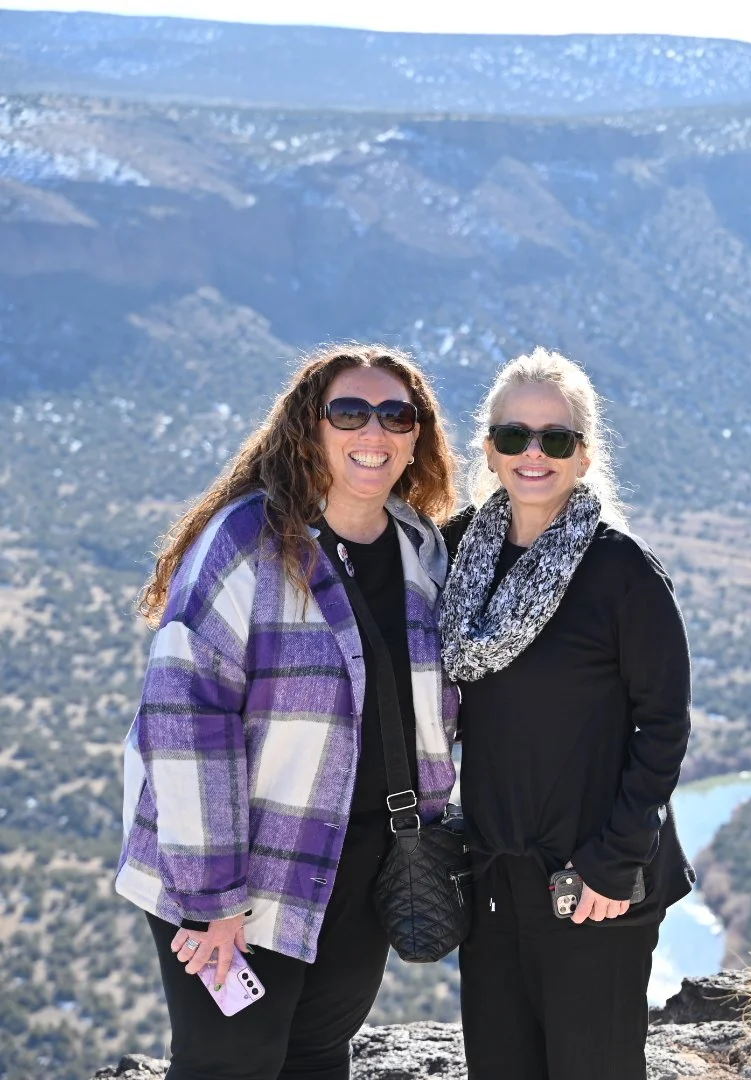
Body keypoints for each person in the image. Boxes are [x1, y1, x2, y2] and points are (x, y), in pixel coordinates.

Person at [116, 345, 459, 1080]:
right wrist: (213, 899)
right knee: (229, 1065)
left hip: (366, 858)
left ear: (416, 437)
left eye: (397, 415)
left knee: (315, 1057)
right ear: (311, 426)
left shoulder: (420, 550)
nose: (375, 431)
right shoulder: (249, 542)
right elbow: (184, 722)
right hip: (241, 865)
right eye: (350, 412)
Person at [441, 347, 693, 1080]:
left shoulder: (622, 572)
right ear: (488, 450)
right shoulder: (457, 557)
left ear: (583, 456)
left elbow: (664, 726)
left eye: (556, 439)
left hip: (594, 880)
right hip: (494, 877)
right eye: (515, 436)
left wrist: (611, 866)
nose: (534, 454)